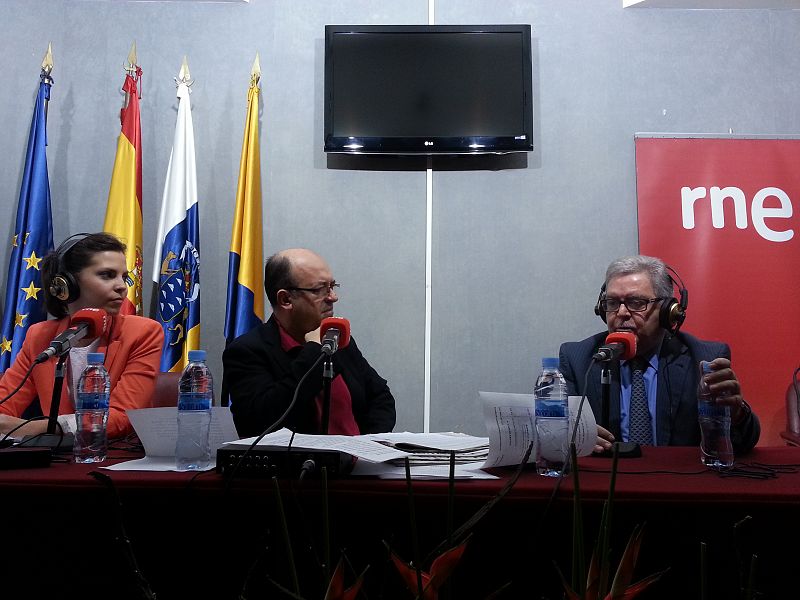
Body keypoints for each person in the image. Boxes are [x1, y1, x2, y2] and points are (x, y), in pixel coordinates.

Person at [559, 255, 760, 454]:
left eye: (636, 302)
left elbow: (742, 445)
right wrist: (572, 435)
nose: (621, 313)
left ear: (667, 311)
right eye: (612, 303)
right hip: (607, 482)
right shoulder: (580, 359)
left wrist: (736, 414)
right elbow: (552, 431)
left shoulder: (703, 359)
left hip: (678, 482)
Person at [0, 232, 163, 441]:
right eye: (107, 275)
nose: (122, 286)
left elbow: (122, 417)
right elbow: (5, 405)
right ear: (66, 285)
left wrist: (29, 428)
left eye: (124, 276)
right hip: (60, 460)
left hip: (117, 459)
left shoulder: (143, 332)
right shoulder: (39, 336)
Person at [222, 248, 396, 438]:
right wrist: (314, 351)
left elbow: (380, 397)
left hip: (359, 463)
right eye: (320, 290)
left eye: (332, 286)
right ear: (286, 299)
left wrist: (368, 445)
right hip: (299, 466)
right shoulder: (247, 351)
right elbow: (263, 421)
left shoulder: (337, 338)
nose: (333, 297)